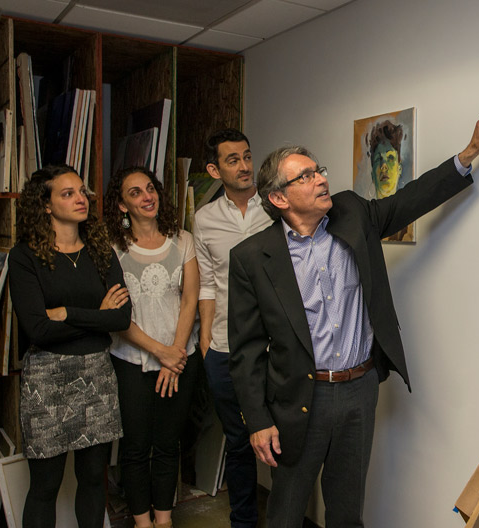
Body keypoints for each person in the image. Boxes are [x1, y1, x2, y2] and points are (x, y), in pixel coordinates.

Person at [228, 101, 479, 527]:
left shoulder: (352, 213)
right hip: (300, 398)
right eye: (306, 176)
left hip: (359, 390)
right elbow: (246, 350)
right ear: (279, 197)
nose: (322, 178)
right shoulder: (251, 258)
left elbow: (410, 200)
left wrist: (470, 151)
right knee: (285, 510)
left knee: (346, 510)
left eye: (318, 169)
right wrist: (258, 421)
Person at [9, 165, 132, 528]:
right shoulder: (25, 256)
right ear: (45, 205)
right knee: (45, 485)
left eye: (82, 191)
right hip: (46, 379)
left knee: (94, 479)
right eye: (67, 193)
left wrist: (65, 313)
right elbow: (37, 330)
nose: (81, 198)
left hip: (97, 374)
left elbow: (121, 319)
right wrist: (96, 315)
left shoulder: (99, 250)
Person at [103, 167, 195, 528]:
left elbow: (189, 301)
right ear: (122, 205)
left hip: (179, 358)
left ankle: (164, 520)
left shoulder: (182, 240)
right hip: (131, 360)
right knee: (137, 447)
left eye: (150, 188)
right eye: (135, 192)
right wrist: (160, 351)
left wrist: (175, 354)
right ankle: (142, 522)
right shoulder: (112, 249)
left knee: (168, 443)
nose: (147, 196)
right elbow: (117, 315)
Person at [192, 128, 272, 528]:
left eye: (246, 156)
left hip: (275, 346)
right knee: (239, 443)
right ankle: (244, 522)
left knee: (284, 440)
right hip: (224, 347)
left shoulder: (275, 206)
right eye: (232, 160)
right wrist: (206, 341)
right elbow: (207, 283)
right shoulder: (204, 220)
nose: (244, 166)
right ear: (214, 169)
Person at [364, 120, 411, 241]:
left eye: (390, 158)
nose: (383, 166)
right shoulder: (364, 222)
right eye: (378, 160)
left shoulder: (407, 227)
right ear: (372, 174)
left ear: (399, 169)